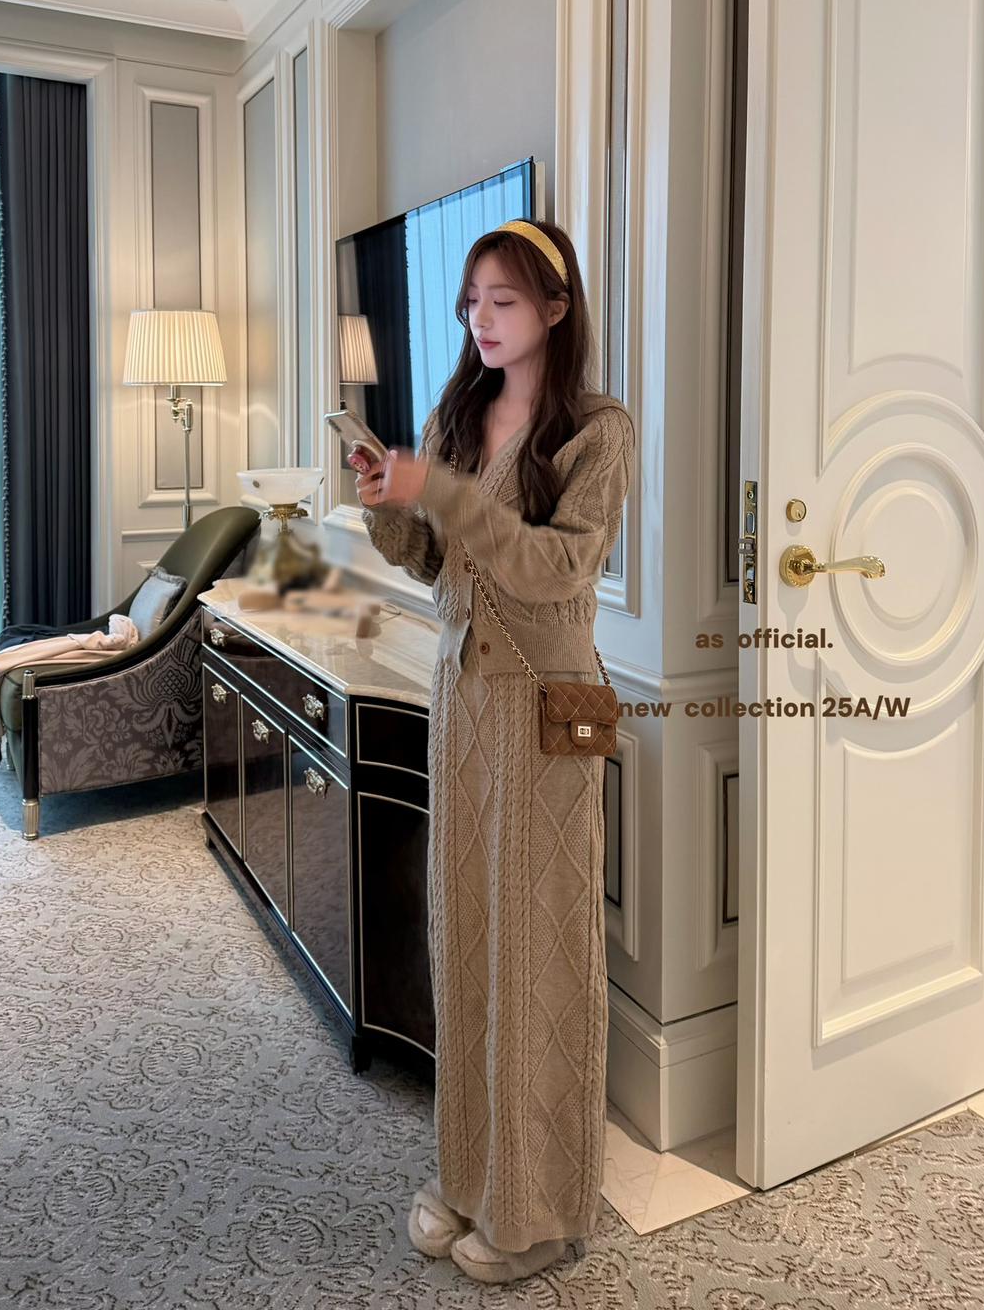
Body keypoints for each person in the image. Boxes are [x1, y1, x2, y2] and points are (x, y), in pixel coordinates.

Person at [349, 217, 635, 1286]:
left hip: (549, 707)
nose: (482, 319)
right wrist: (387, 502)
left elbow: (559, 571)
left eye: (504, 300)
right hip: (462, 699)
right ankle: (472, 1177)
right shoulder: (458, 415)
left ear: (556, 308)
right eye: (472, 301)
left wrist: (444, 491)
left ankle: (542, 1211)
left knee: (541, 951)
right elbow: (436, 562)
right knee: (467, 937)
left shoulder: (598, 431)